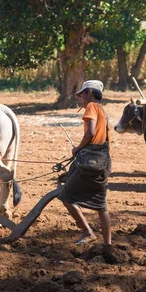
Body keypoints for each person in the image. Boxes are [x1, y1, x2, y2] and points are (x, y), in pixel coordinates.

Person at [58, 80, 112, 248]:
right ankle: (107, 245)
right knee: (101, 206)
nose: (80, 98)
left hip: (90, 163)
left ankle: (88, 232)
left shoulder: (91, 107)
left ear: (90, 93)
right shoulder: (103, 111)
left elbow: (90, 132)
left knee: (66, 196)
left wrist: (78, 149)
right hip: (103, 162)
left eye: (82, 94)